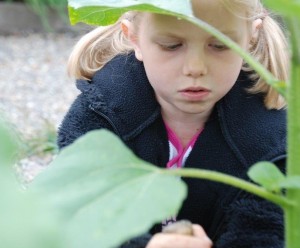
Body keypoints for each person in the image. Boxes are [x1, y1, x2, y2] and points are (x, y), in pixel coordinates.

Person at [58, 0, 289, 247]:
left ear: (250, 37)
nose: (195, 68)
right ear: (134, 38)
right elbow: (75, 216)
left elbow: (265, 231)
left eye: (220, 45)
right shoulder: (101, 114)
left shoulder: (270, 140)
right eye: (172, 45)